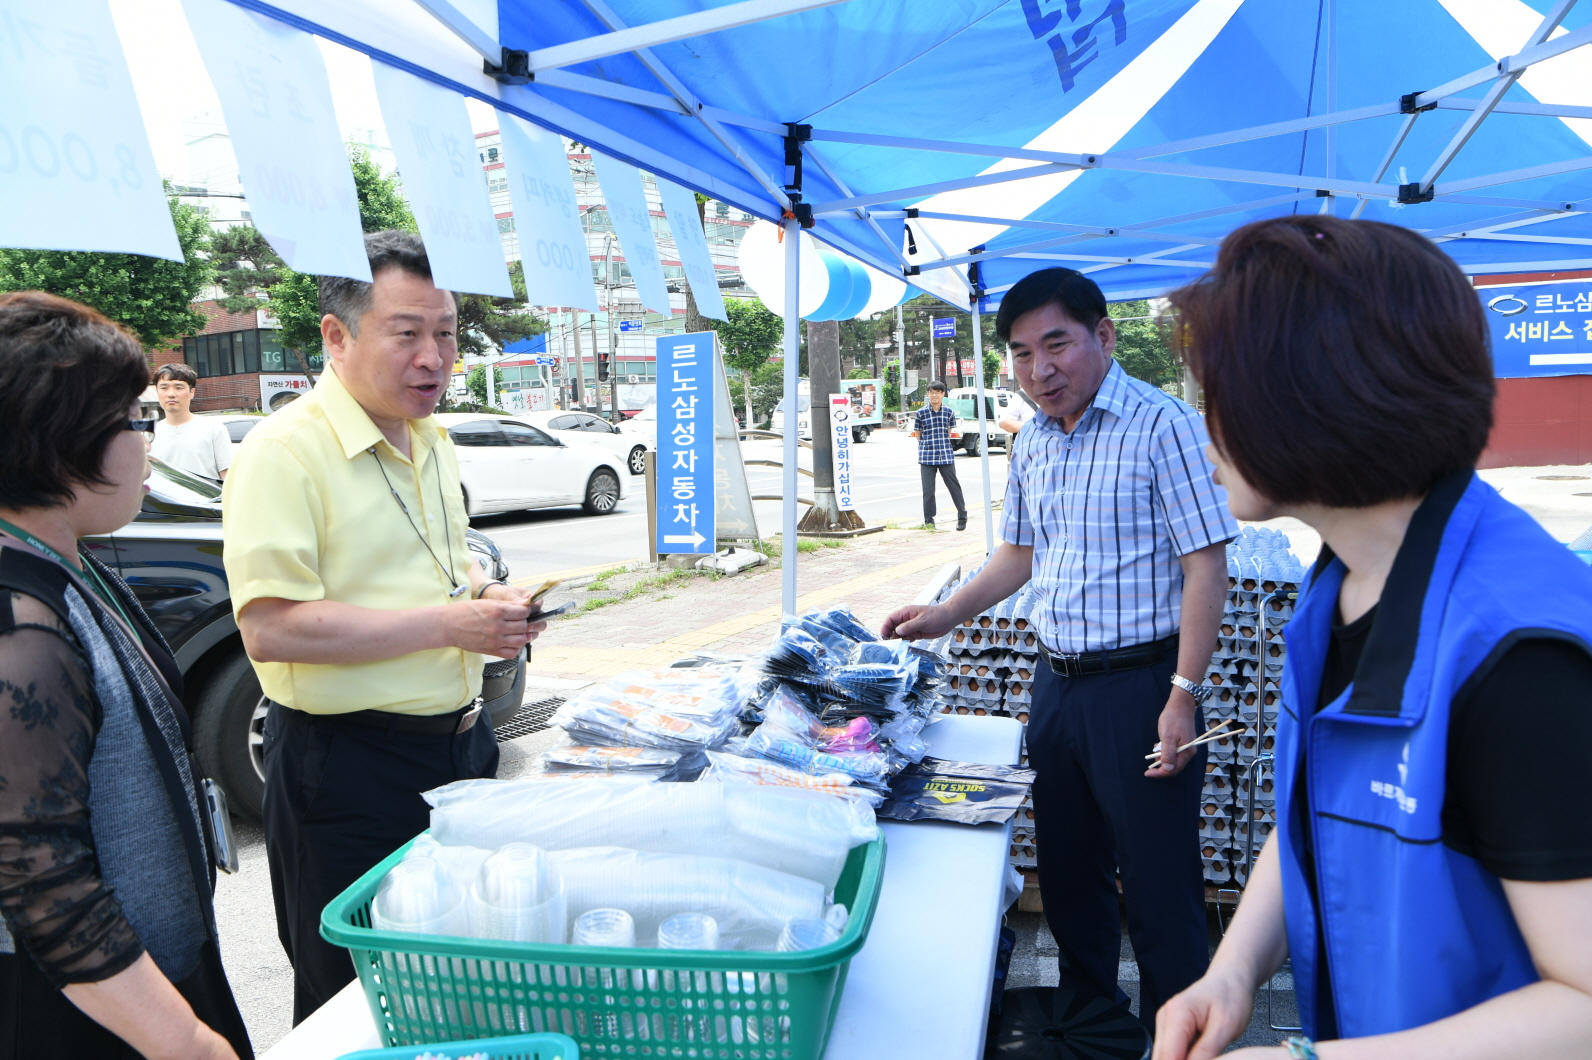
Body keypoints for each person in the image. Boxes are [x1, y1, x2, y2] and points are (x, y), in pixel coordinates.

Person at [1153, 217, 1592, 1059]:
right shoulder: (1343, 584)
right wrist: (1234, 970)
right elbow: (1315, 808)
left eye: (1217, 394)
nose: (1205, 427)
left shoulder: (1518, 656)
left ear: (1305, 398)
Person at [884, 268, 1236, 1026]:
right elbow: (1019, 556)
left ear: (1102, 336)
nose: (1038, 371)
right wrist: (945, 615)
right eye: (1018, 353)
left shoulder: (1161, 424)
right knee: (1070, 869)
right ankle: (1092, 1025)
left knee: (1157, 879)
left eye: (1056, 345)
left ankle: (1181, 1032)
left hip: (1143, 687)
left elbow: (1206, 565)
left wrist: (1185, 694)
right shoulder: (1035, 438)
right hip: (1058, 683)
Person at [222, 231, 543, 1023]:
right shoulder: (283, 453)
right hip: (347, 766)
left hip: (460, 742)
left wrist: (488, 596)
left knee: (455, 977)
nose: (433, 357)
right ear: (337, 335)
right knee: (354, 997)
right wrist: (445, 625)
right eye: (407, 333)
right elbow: (274, 629)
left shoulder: (431, 438)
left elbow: (438, 566)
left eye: (447, 333)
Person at [0, 292, 251, 1059]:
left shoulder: (65, 560)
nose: (147, 444)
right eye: (132, 422)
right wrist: (189, 1045)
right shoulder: (22, 624)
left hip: (149, 970)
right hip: (87, 1015)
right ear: (61, 441)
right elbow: (37, 878)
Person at [150, 362, 233, 482]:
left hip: (207, 499)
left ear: (192, 392)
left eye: (178, 387)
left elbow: (228, 476)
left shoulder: (213, 429)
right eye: (164, 388)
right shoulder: (149, 434)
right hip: (165, 501)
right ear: (157, 391)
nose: (171, 394)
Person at [912, 381, 967, 530]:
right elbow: (918, 434)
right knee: (928, 490)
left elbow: (949, 433)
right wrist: (928, 444)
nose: (934, 395)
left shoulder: (949, 412)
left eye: (937, 392)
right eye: (931, 392)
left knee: (954, 487)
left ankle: (962, 516)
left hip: (946, 456)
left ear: (943, 394)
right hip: (926, 457)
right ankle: (929, 520)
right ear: (928, 394)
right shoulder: (921, 413)